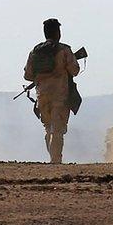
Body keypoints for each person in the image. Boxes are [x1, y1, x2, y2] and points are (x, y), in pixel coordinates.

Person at [24, 18, 80, 164]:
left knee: (48, 128)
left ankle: (53, 159)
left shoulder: (35, 51)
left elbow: (27, 75)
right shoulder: (63, 50)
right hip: (60, 95)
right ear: (57, 32)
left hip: (42, 95)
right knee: (58, 129)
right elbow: (74, 70)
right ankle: (56, 161)